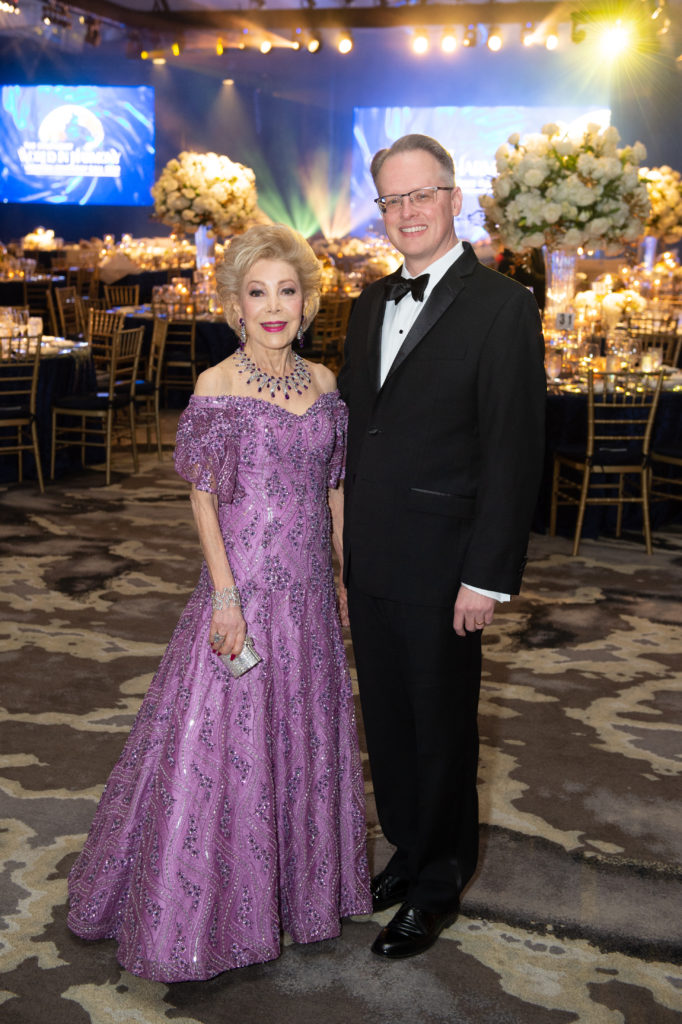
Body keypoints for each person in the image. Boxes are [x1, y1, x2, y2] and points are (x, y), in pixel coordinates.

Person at [67, 223, 372, 982]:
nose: (274, 307)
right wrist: (226, 597)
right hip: (247, 593)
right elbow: (203, 503)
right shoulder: (217, 387)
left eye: (287, 291)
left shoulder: (326, 386)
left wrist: (341, 578)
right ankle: (201, 913)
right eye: (257, 293)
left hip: (307, 599)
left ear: (307, 302)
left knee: (304, 740)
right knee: (220, 748)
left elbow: (333, 492)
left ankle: (298, 898)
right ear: (235, 305)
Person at [337, 134, 546, 959]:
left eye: (422, 195)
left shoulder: (501, 306)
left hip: (449, 563)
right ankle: (408, 848)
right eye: (392, 200)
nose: (407, 212)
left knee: (443, 729)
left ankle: (437, 886)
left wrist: (486, 579)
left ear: (453, 197)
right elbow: (361, 435)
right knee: (387, 724)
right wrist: (345, 558)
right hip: (376, 556)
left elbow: (513, 452)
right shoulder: (364, 304)